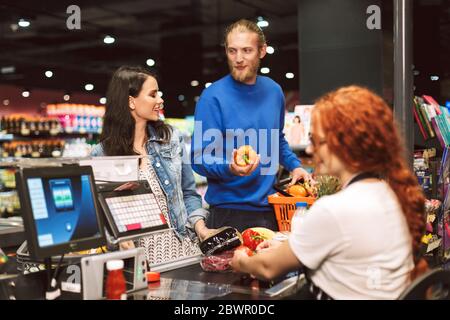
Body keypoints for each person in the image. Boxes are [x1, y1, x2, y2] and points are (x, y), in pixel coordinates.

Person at [230, 86, 427, 300]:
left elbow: (268, 267)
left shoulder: (334, 209)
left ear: (344, 144)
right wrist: (286, 245)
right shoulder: (390, 195)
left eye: (316, 141)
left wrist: (242, 260)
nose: (309, 150)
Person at [191, 19, 310, 232]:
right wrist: (230, 167)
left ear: (262, 51)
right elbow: (199, 159)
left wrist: (295, 166)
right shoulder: (212, 98)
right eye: (232, 51)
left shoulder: (274, 91)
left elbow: (276, 138)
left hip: (270, 208)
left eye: (247, 50)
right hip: (228, 212)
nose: (238, 59)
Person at [91, 66, 214, 263]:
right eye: (153, 94)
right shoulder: (102, 154)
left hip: (185, 250)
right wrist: (118, 239)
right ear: (131, 101)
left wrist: (201, 228)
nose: (160, 100)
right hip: (139, 261)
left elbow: (189, 192)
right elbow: (99, 215)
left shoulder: (172, 138)